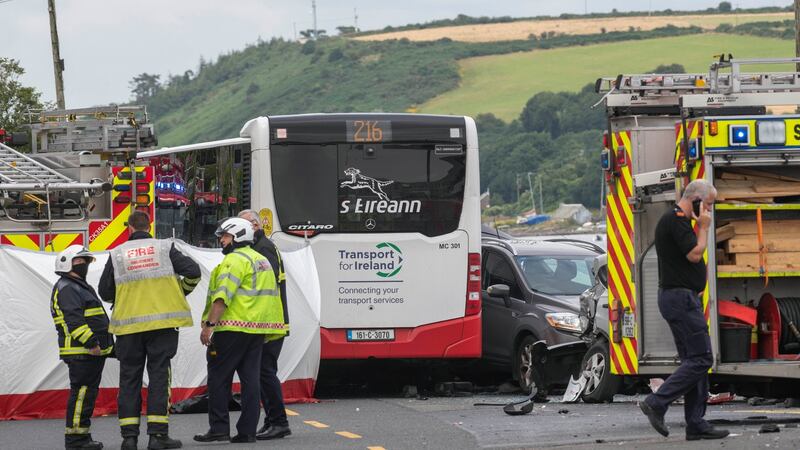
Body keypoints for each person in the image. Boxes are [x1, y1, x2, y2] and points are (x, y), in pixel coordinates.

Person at [99, 210, 201, 450]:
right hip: (162, 326)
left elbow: (105, 292)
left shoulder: (118, 253)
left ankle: (129, 438)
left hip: (128, 328)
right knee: (158, 378)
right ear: (150, 226)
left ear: (130, 228)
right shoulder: (165, 248)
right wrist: (180, 291)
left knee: (129, 380)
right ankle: (157, 436)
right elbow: (193, 273)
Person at [639, 179, 729, 441]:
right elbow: (694, 253)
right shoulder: (677, 219)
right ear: (697, 199)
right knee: (701, 359)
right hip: (679, 299)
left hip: (681, 298)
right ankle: (657, 403)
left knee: (695, 361)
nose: (709, 211)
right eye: (708, 205)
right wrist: (704, 227)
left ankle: (696, 423)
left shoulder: (678, 220)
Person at [194, 217, 288, 444]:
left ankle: (219, 429)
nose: (221, 240)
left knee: (218, 378)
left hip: (231, 329)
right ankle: (247, 432)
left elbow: (222, 297)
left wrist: (209, 326)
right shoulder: (262, 260)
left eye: (225, 236)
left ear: (237, 237)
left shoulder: (233, 261)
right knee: (251, 381)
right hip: (256, 331)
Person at [51, 245, 114, 450]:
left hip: (87, 352)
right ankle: (76, 440)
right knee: (81, 395)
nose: (85, 265)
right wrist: (91, 343)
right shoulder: (68, 287)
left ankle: (82, 437)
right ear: (67, 263)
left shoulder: (77, 285)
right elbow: (74, 321)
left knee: (86, 396)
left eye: (86, 262)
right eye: (81, 262)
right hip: (82, 352)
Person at [237, 210, 291, 440]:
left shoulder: (264, 248)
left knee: (265, 372)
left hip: (270, 321)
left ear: (256, 225)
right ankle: (273, 420)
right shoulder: (260, 246)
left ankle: (279, 421)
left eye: (244, 224)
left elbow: (262, 285)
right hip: (268, 320)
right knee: (262, 372)